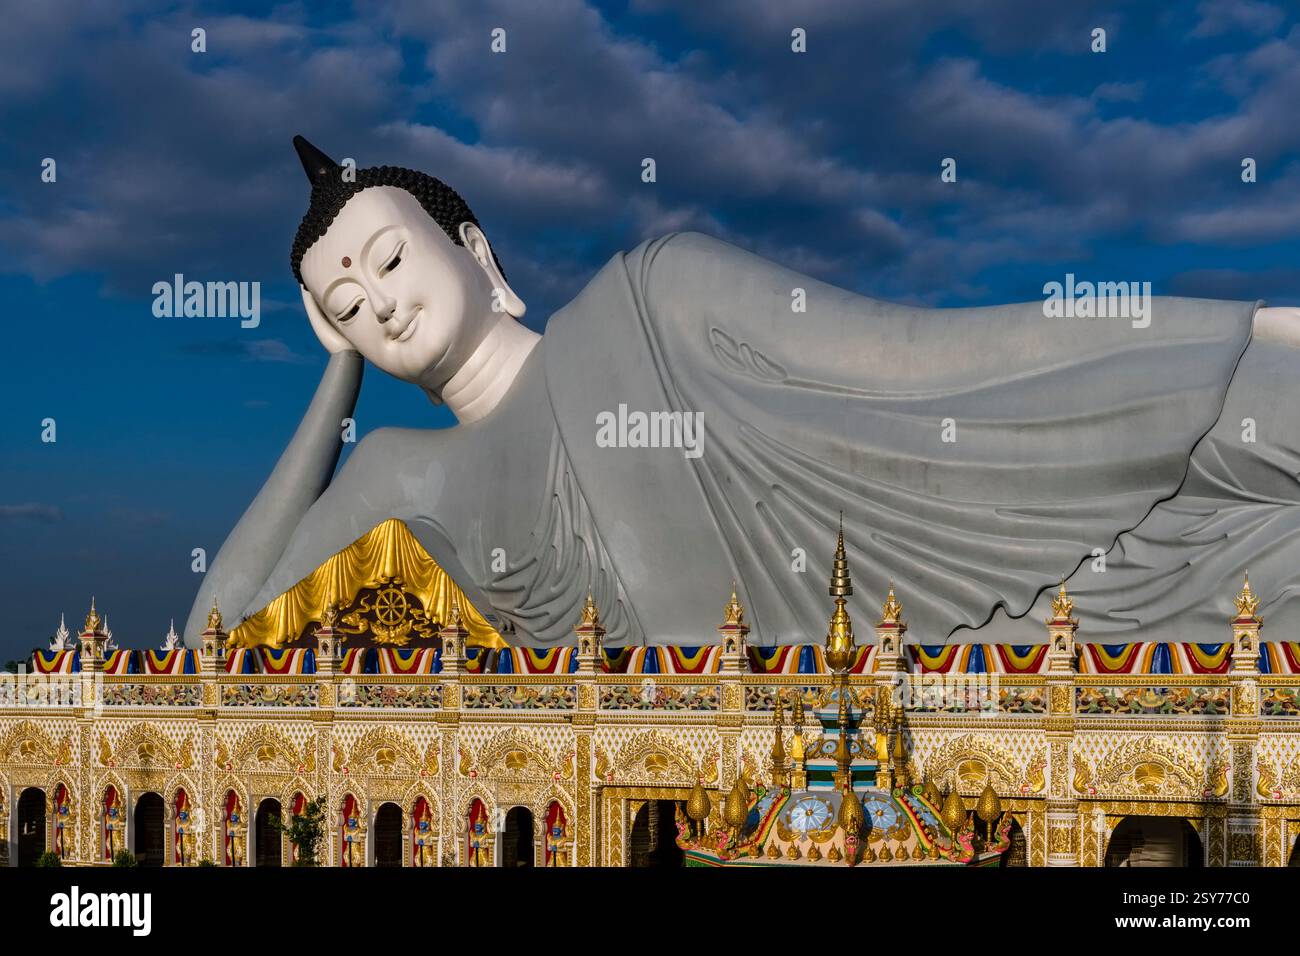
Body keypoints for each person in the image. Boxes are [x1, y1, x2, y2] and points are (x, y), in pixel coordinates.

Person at [186, 135, 1300, 648]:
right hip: (890, 683)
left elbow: (941, 360)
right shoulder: (405, 472)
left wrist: (1241, 326)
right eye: (341, 302)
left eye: (386, 259)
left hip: (968, 571)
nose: (373, 303)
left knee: (1262, 421)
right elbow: (211, 642)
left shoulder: (653, 296)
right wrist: (331, 378)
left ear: (475, 252)